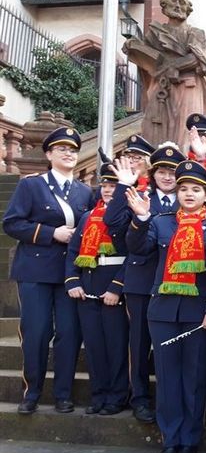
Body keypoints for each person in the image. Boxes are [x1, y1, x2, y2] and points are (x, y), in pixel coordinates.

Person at [125, 161, 206, 453]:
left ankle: (190, 439)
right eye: (183, 188)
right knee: (168, 379)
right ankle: (170, 439)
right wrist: (141, 218)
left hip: (199, 312)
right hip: (163, 310)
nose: (188, 194)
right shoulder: (162, 222)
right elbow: (138, 249)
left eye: (196, 189)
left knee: (194, 378)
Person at [3, 127, 94, 415]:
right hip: (35, 270)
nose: (68, 153)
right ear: (48, 154)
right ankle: (32, 392)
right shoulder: (32, 186)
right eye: (61, 149)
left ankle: (63, 394)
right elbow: (12, 223)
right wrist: (51, 233)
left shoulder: (85, 191)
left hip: (70, 274)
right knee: (36, 332)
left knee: (68, 334)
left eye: (73, 150)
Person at [104, 144, 186, 424]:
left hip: (174, 282)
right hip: (140, 281)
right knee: (138, 344)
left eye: (172, 172)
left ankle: (167, 399)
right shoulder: (139, 195)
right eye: (162, 171)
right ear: (153, 173)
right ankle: (139, 397)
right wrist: (122, 187)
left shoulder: (189, 199)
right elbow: (112, 222)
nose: (167, 176)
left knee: (167, 348)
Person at [65, 163, 129, 416]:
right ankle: (99, 394)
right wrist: (72, 280)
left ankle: (117, 396)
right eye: (105, 185)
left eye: (114, 185)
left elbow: (134, 257)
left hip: (113, 289)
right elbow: (73, 252)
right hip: (87, 287)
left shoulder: (126, 216)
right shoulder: (87, 216)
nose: (108, 190)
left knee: (116, 346)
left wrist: (117, 287)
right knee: (94, 346)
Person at [123, 0, 206, 145]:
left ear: (188, 10)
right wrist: (134, 48)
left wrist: (170, 66)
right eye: (173, 1)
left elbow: (197, 58)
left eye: (182, 3)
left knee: (186, 132)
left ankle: (185, 167)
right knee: (155, 132)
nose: (177, 6)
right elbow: (147, 60)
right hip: (162, 88)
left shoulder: (195, 33)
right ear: (164, 5)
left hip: (189, 87)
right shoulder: (154, 34)